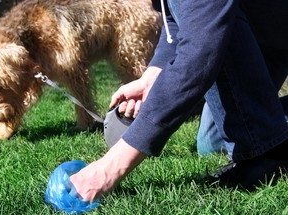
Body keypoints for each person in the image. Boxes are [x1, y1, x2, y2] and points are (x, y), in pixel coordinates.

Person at [70, 0, 288, 203]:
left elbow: (199, 56)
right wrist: (151, 76)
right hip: (258, 33)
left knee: (255, 144)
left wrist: (110, 168)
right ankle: (269, 129)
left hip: (266, 33)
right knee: (211, 144)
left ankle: (268, 149)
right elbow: (177, 19)